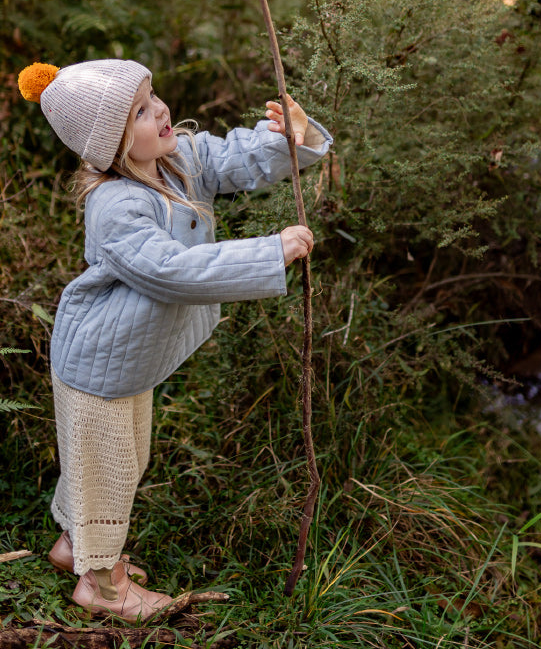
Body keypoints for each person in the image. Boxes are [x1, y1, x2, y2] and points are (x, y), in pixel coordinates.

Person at [17, 58, 333, 623]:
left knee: (118, 459)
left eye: (153, 95)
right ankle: (102, 585)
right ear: (112, 145)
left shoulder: (174, 158)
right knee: (110, 470)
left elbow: (231, 157)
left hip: (127, 360)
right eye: (140, 111)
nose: (161, 110)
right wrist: (268, 252)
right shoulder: (117, 205)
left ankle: (73, 546)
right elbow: (172, 271)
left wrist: (290, 139)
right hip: (97, 364)